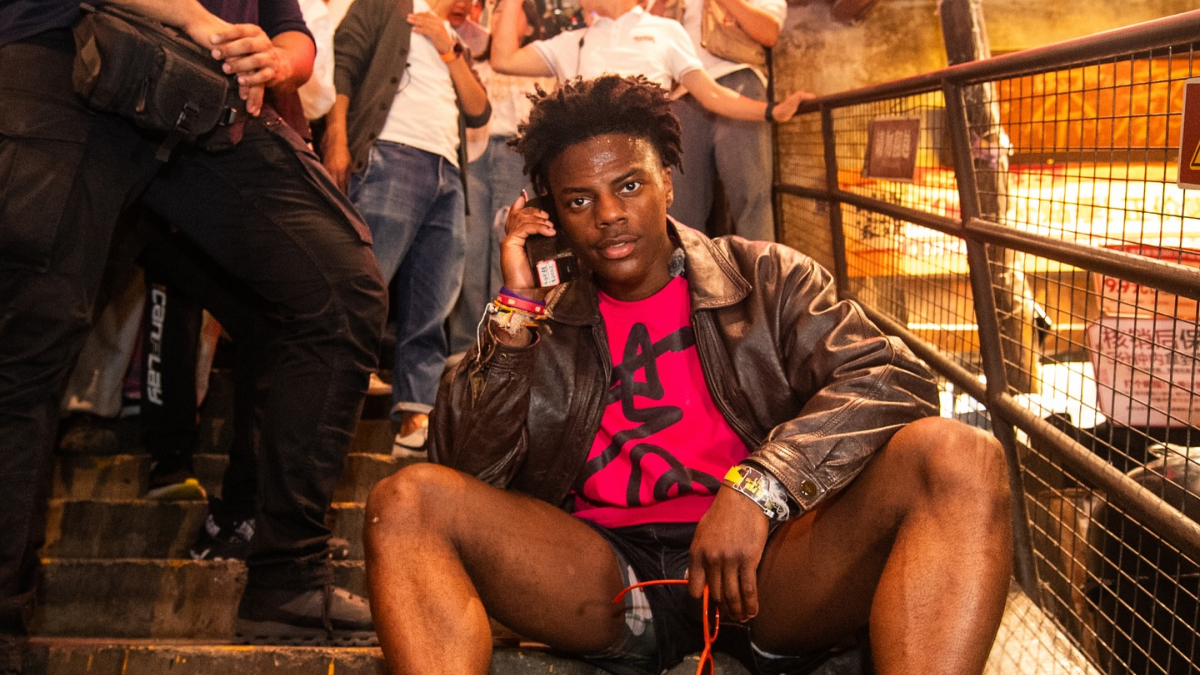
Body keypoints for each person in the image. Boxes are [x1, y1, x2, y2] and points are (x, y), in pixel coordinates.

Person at [363, 75, 1013, 675]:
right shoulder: (541, 323)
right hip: (604, 573)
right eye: (579, 200)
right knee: (404, 500)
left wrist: (761, 486)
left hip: (769, 566)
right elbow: (466, 473)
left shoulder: (767, 277)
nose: (609, 214)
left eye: (629, 185)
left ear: (668, 182)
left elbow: (890, 381)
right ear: (554, 216)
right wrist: (517, 311)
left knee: (962, 454)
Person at [0, 0, 388, 667]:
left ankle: (288, 579)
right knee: (25, 344)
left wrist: (278, 58)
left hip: (208, 99)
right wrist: (190, 15)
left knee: (338, 285)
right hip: (69, 55)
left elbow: (289, 28)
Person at [324, 0, 491, 455]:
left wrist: (448, 48)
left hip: (448, 173)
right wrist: (337, 137)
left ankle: (415, 418)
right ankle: (327, 407)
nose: (470, 5)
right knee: (360, 291)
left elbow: (479, 110)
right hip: (388, 155)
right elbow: (345, 61)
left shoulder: (451, 39)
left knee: (432, 301)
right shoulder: (387, 4)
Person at [487, 0, 811, 130]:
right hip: (587, 167)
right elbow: (503, 59)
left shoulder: (665, 30)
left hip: (645, 165)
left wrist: (772, 111)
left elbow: (710, 94)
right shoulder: (571, 42)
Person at [446, 0, 557, 355]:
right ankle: (463, 348)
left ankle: (503, 344)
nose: (500, 14)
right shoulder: (473, 60)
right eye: (495, 9)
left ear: (528, 24)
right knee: (470, 248)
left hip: (519, 158)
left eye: (511, 10)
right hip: (476, 156)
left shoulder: (543, 63)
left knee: (509, 248)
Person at [657, 0, 785, 242]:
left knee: (750, 196)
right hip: (682, 94)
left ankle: (761, 276)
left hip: (739, 80)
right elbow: (648, 31)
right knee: (680, 206)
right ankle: (690, 277)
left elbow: (769, 33)